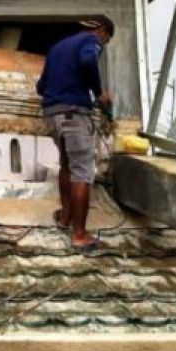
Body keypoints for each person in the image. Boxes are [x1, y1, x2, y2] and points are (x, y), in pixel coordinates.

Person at [35, 19, 114, 249]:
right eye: (106, 40)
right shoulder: (92, 40)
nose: (103, 43)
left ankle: (65, 218)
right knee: (83, 172)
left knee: (67, 166)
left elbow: (41, 87)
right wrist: (99, 93)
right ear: (102, 31)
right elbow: (88, 60)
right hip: (74, 114)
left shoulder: (57, 47)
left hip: (53, 115)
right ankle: (79, 235)